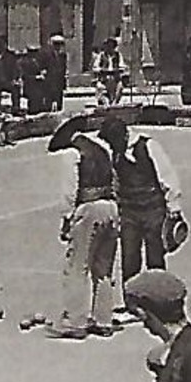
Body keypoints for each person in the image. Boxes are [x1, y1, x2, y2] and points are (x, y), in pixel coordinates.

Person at [47, 117, 120, 339]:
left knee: (78, 265)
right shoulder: (102, 149)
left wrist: (67, 218)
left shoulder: (73, 154)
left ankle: (75, 321)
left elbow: (70, 190)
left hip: (88, 208)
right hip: (111, 206)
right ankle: (103, 318)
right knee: (103, 267)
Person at [99, 118, 183, 282]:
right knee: (129, 260)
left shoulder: (149, 146)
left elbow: (167, 177)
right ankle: (132, 301)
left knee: (155, 258)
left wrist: (174, 207)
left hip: (153, 210)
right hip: (129, 212)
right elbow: (115, 182)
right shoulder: (115, 152)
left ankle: (158, 298)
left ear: (123, 137)